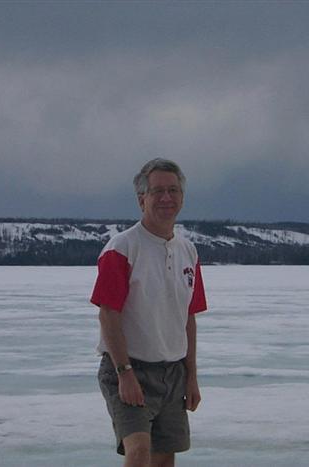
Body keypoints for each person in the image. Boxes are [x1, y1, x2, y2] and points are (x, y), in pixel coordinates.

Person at [91, 158, 207, 467]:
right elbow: (108, 315)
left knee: (163, 459)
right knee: (139, 452)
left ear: (182, 197)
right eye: (158, 191)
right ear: (142, 199)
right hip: (130, 369)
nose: (167, 198)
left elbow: (188, 317)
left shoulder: (188, 251)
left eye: (173, 190)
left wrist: (191, 377)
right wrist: (124, 373)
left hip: (172, 373)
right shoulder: (122, 248)